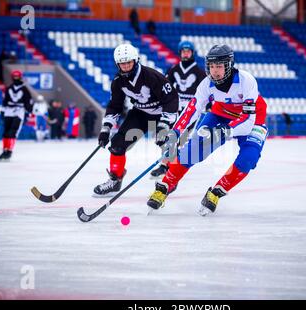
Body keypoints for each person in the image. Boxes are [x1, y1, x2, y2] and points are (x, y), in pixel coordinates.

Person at [146, 44, 268, 216]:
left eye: (219, 66)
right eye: (211, 66)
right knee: (193, 150)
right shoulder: (205, 85)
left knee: (249, 158)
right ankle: (165, 186)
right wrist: (175, 133)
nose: (215, 71)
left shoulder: (246, 81)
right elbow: (191, 110)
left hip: (253, 119)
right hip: (220, 114)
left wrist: (225, 131)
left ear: (229, 65)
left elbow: (248, 121)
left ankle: (216, 192)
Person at [94, 43, 179, 196]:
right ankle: (115, 180)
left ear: (135, 60)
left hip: (161, 113)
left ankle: (171, 179)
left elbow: (171, 98)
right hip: (140, 113)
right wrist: (106, 129)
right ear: (117, 64)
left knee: (168, 144)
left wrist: (164, 124)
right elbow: (115, 105)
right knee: (117, 144)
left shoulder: (151, 76)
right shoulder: (118, 81)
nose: (126, 66)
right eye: (122, 63)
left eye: (128, 62)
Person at [150, 40, 207, 178]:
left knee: (180, 140)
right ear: (180, 53)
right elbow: (165, 88)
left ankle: (171, 166)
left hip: (190, 111)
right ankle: (165, 165)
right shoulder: (173, 70)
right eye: (183, 51)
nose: (186, 54)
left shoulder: (199, 73)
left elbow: (205, 93)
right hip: (174, 109)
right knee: (167, 136)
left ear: (192, 53)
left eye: (188, 51)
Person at [0, 70, 33, 161]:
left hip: (19, 111)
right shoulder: (9, 88)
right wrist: (2, 110)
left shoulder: (24, 89)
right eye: (14, 77)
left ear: (20, 77)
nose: (16, 79)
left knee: (13, 131)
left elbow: (28, 101)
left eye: (17, 77)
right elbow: (5, 100)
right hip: (8, 110)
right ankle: (4, 150)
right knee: (6, 131)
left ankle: (9, 151)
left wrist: (29, 110)